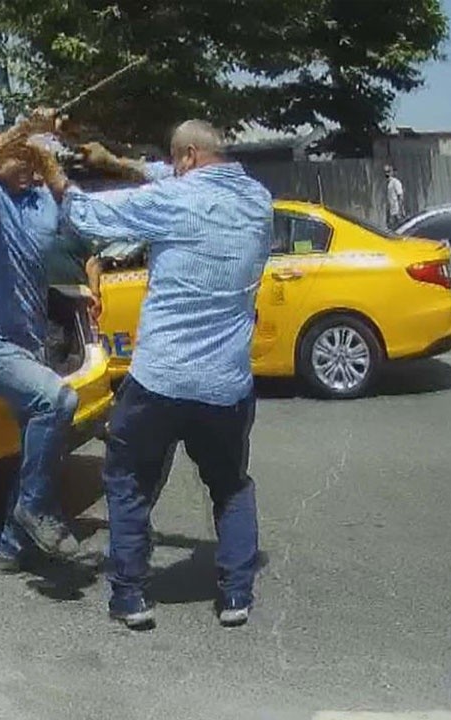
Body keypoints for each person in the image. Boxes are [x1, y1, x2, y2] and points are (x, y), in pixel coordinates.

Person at [63, 121, 273, 629]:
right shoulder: (258, 200)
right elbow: (179, 177)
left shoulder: (171, 201)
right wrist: (116, 162)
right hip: (226, 384)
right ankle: (236, 595)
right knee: (230, 486)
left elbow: (86, 214)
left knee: (128, 479)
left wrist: (52, 170)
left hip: (160, 379)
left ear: (188, 157)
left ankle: (131, 596)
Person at [0, 110, 86, 572]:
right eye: (20, 157)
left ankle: (11, 544)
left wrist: (50, 143)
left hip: (28, 345)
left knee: (39, 441)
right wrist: (24, 131)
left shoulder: (37, 203)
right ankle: (34, 510)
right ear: (0, 152)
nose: (31, 162)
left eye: (34, 158)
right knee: (58, 402)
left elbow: (70, 207)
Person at [385, 165, 406, 229]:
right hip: (392, 212)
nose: (387, 174)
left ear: (392, 172)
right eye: (385, 172)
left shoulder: (396, 182)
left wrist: (400, 211)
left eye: (388, 171)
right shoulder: (389, 183)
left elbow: (400, 196)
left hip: (397, 212)